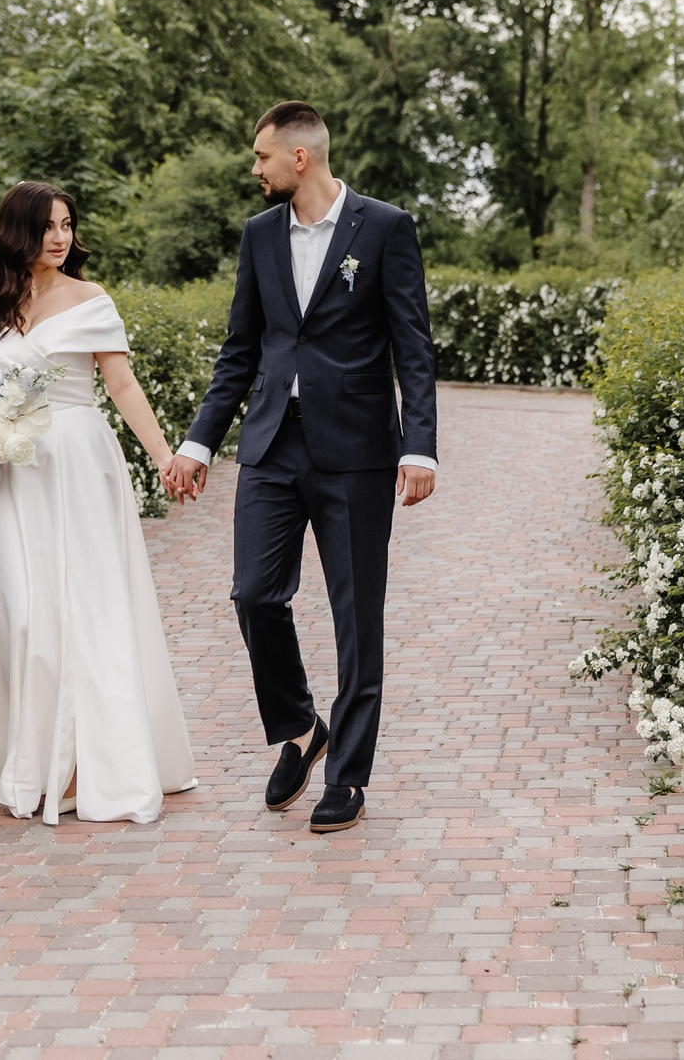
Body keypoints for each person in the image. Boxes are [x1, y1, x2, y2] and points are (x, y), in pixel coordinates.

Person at [160, 102, 438, 834]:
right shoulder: (258, 236)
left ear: (300, 158)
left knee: (356, 621)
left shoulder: (384, 227)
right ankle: (299, 723)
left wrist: (419, 444)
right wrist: (196, 443)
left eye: (261, 157)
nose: (255, 169)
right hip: (271, 446)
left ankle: (347, 773)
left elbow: (412, 344)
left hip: (357, 455)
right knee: (254, 594)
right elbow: (239, 350)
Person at [0, 181, 198, 824]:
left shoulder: (90, 300)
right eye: (47, 227)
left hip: (79, 462)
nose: (60, 237)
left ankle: (87, 762)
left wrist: (165, 455)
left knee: (86, 608)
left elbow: (121, 384)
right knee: (24, 614)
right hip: (18, 473)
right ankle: (31, 752)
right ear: (17, 235)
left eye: (66, 225)